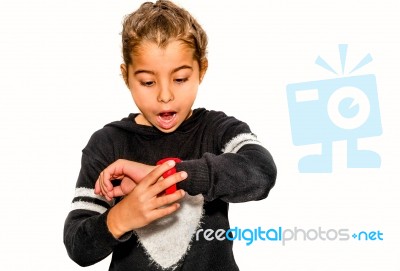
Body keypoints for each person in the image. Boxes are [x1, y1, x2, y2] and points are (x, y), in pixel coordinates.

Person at [63, 1, 277, 270]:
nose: (165, 95)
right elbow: (78, 247)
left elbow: (262, 173)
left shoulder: (219, 129)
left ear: (202, 70)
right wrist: (121, 217)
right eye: (148, 82)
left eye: (180, 79)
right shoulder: (107, 144)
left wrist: (167, 175)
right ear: (126, 76)